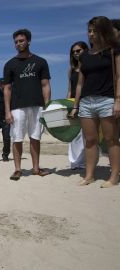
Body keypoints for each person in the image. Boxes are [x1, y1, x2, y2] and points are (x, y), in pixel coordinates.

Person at [70, 16, 120, 188]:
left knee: (110, 139)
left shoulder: (113, 51)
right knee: (90, 140)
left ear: (103, 31)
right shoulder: (84, 56)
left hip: (107, 99)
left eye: (94, 31)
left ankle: (114, 176)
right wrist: (75, 105)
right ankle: (89, 175)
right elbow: (79, 83)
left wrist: (118, 100)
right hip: (86, 102)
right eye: (89, 30)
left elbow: (119, 76)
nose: (90, 34)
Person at [3, 29, 52, 181]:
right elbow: (7, 88)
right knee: (17, 139)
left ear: (28, 41)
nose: (18, 44)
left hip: (37, 106)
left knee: (35, 138)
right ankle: (17, 169)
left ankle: (36, 168)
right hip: (17, 107)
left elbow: (45, 85)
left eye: (21, 41)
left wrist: (47, 106)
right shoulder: (10, 64)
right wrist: (7, 111)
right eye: (16, 42)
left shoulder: (41, 61)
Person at [67, 41, 89, 170]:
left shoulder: (90, 67)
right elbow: (70, 89)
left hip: (87, 101)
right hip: (74, 103)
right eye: (73, 52)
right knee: (74, 135)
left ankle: (85, 161)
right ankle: (75, 162)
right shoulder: (71, 70)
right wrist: (67, 104)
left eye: (78, 50)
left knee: (88, 135)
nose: (76, 53)